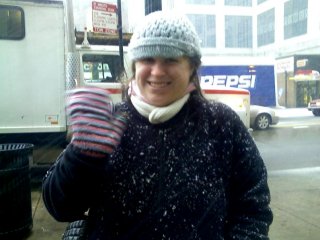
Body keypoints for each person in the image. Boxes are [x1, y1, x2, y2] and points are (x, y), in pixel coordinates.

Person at [42, 10, 273, 239]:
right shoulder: (107, 123)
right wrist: (81, 157)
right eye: (147, 58)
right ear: (134, 65)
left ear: (192, 67)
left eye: (171, 59)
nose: (157, 71)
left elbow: (253, 206)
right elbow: (61, 208)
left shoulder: (221, 124)